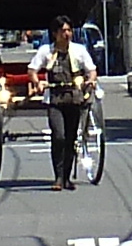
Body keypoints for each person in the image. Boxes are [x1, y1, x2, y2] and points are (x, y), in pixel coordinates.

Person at [32, 19, 100, 190]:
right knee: (59, 136)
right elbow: (32, 70)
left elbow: (92, 70)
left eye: (69, 30)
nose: (67, 34)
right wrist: (37, 82)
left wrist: (91, 80)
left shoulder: (79, 50)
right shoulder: (46, 51)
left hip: (74, 98)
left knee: (71, 138)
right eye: (63, 31)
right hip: (54, 99)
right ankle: (58, 177)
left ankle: (67, 178)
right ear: (55, 33)